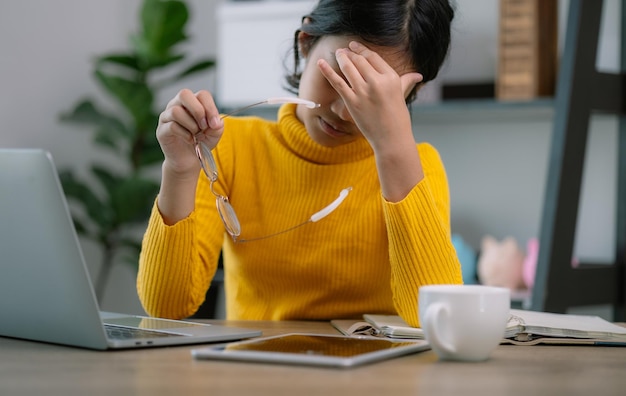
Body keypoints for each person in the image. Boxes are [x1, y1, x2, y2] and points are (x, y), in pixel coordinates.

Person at [137, 0, 463, 327]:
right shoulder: (227, 147)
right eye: (339, 76)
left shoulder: (417, 166)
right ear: (306, 41)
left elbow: (435, 317)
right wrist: (179, 171)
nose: (344, 112)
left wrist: (394, 148)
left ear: (409, 92)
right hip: (257, 369)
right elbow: (167, 306)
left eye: (373, 94)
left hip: (377, 376)